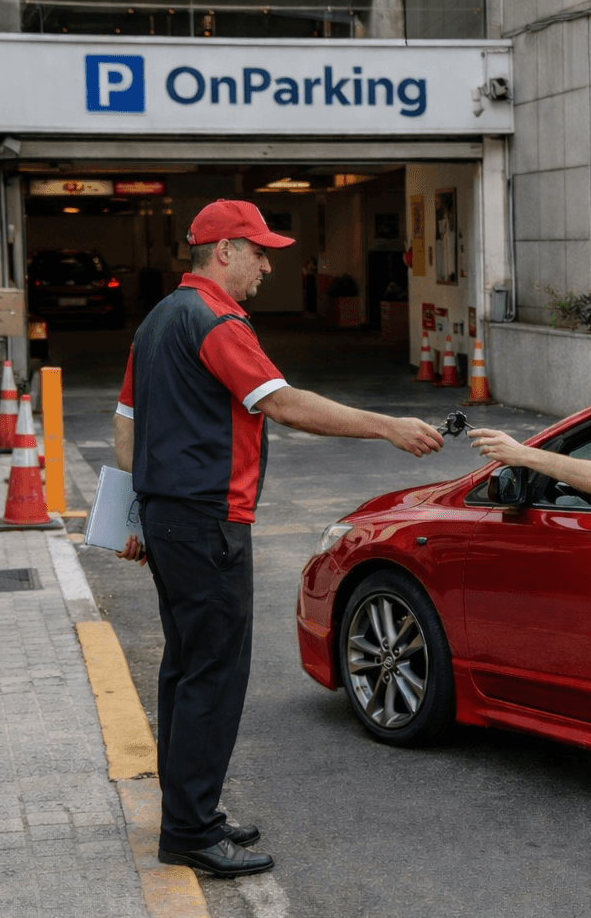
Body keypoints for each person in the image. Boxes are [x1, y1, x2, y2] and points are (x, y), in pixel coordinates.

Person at [112, 199, 444, 878]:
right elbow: (283, 403)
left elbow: (125, 425)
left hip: (172, 520)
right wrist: (387, 425)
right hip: (208, 522)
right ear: (223, 251)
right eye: (259, 251)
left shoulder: (156, 322)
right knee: (214, 674)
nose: (267, 264)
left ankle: (190, 814)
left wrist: (132, 518)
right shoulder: (216, 319)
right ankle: (191, 832)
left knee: (186, 667)